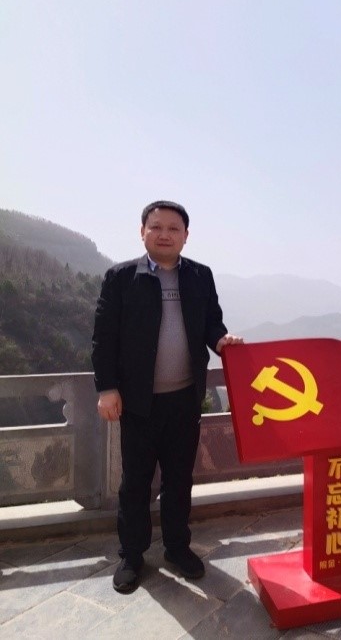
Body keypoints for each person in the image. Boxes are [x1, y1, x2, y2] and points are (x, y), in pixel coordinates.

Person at [91, 200, 243, 593]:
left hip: (184, 400)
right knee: (136, 482)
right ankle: (131, 555)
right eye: (156, 227)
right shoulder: (121, 277)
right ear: (142, 232)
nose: (164, 235)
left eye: (173, 229)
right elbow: (104, 338)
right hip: (138, 402)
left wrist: (222, 341)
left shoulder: (200, 276)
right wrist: (107, 388)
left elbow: (211, 324)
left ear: (185, 236)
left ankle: (177, 548)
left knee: (179, 480)